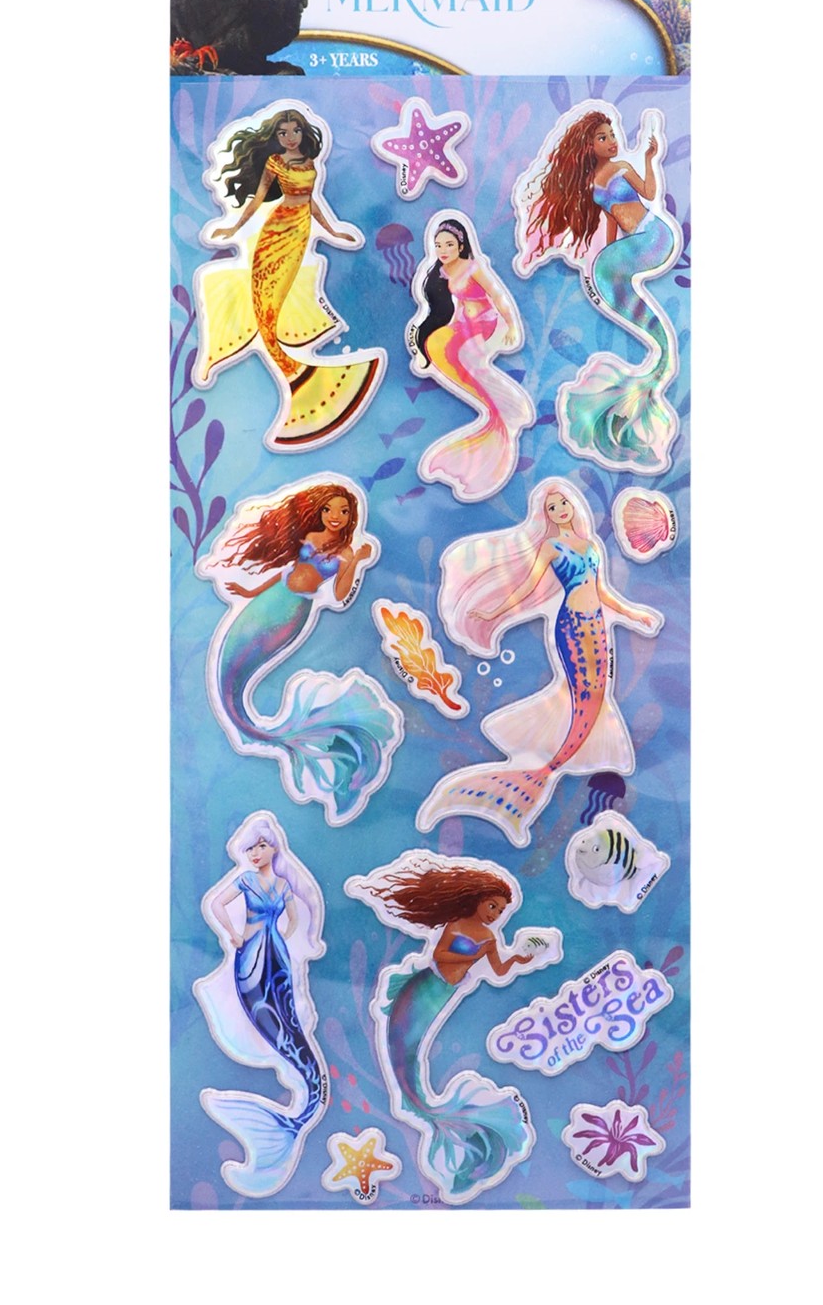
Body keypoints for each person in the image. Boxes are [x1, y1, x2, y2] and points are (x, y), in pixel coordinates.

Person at [418, 481, 661, 845]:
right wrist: (494, 612)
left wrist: (634, 615)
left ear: (572, 506)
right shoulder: (550, 547)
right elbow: (527, 590)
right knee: (583, 702)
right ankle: (540, 772)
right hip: (572, 627)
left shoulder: (591, 545)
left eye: (563, 503)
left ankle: (540, 775)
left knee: (596, 703)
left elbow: (602, 593)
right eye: (552, 508)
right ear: (545, 516)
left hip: (597, 625)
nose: (560, 510)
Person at [203, 481, 398, 823]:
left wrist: (356, 560)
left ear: (351, 517)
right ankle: (242, 719)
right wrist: (247, 591)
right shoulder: (309, 537)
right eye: (329, 509)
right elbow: (286, 572)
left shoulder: (345, 552)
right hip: (269, 599)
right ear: (319, 511)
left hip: (291, 612)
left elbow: (340, 594)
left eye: (343, 511)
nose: (335, 516)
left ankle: (270, 730)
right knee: (229, 662)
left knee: (241, 669)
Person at [355, 859, 543, 1202]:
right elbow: (441, 955)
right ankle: (422, 1108)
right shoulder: (456, 925)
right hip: (427, 986)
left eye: (501, 911)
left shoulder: (489, 938)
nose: (495, 915)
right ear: (477, 900)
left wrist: (519, 960)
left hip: (442, 993)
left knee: (411, 1051)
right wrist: (471, 958)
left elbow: (499, 971)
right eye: (492, 906)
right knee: (403, 1046)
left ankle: (438, 1119)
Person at [194, 108, 384, 450]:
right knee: (264, 307)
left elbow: (312, 204)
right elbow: (256, 200)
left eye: (295, 130)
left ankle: (302, 382)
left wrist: (334, 232)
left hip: (298, 233)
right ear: (276, 137)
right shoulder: (275, 163)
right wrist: (233, 228)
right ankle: (298, 381)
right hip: (274, 231)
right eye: (283, 133)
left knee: (277, 306)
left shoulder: (311, 164)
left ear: (303, 132)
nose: (290, 137)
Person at [517, 106, 682, 473]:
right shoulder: (593, 187)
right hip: (630, 246)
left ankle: (653, 350)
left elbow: (649, 192)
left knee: (604, 272)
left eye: (611, 135)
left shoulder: (622, 167)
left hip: (655, 236)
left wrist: (650, 157)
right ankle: (648, 374)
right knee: (603, 275)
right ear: (587, 146)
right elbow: (609, 222)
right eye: (602, 137)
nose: (612, 141)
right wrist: (598, 260)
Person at [198, 816, 327, 1197]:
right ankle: (294, 1098)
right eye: (250, 848)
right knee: (268, 1016)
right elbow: (218, 905)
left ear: (274, 848)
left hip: (278, 957)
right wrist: (234, 934)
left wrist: (287, 938)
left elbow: (294, 918)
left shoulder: (284, 885)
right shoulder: (245, 880)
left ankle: (302, 1107)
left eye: (261, 846)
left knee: (290, 1019)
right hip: (250, 958)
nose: (255, 853)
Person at [410, 215, 534, 502]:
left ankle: (504, 406)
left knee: (466, 358)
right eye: (438, 245)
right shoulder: (442, 271)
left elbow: (498, 296)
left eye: (449, 244)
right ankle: (490, 404)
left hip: (485, 324)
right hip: (463, 323)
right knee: (435, 344)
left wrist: (511, 327)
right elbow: (442, 307)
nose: (443, 250)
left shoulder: (473, 267)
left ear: (461, 244)